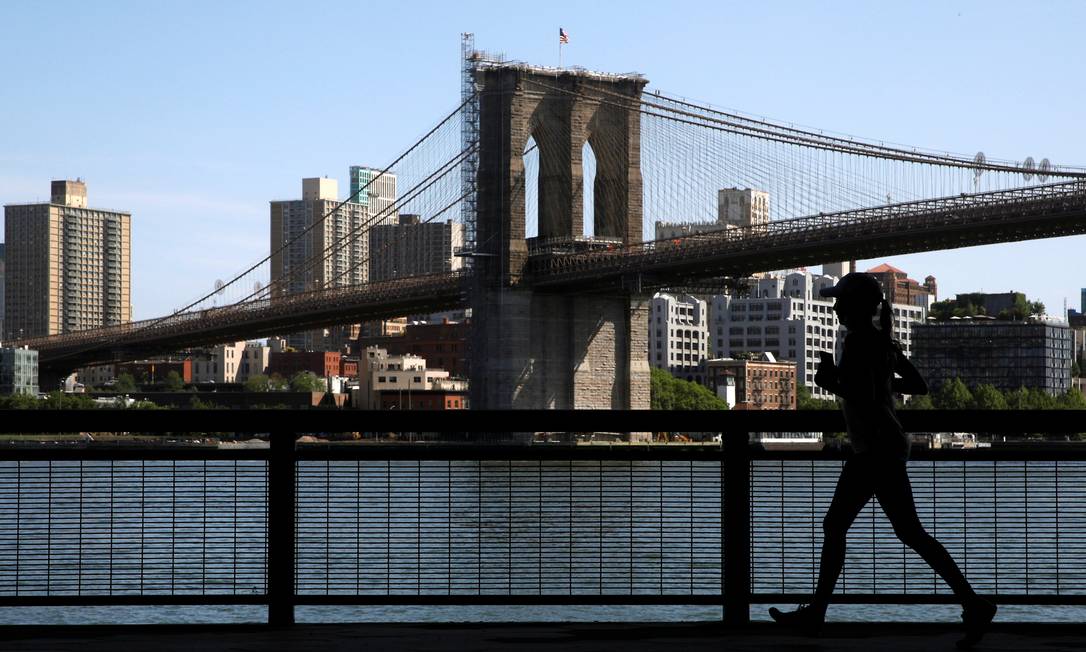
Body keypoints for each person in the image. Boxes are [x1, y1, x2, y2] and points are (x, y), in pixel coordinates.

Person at [769, 272, 996, 649]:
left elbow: (865, 399)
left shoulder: (859, 343)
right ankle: (972, 603)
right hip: (886, 448)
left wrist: (831, 383)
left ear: (856, 307)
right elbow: (915, 385)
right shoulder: (881, 343)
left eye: (841, 301)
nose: (836, 306)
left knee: (839, 526)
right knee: (906, 532)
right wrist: (881, 383)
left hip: (874, 450)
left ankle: (816, 615)